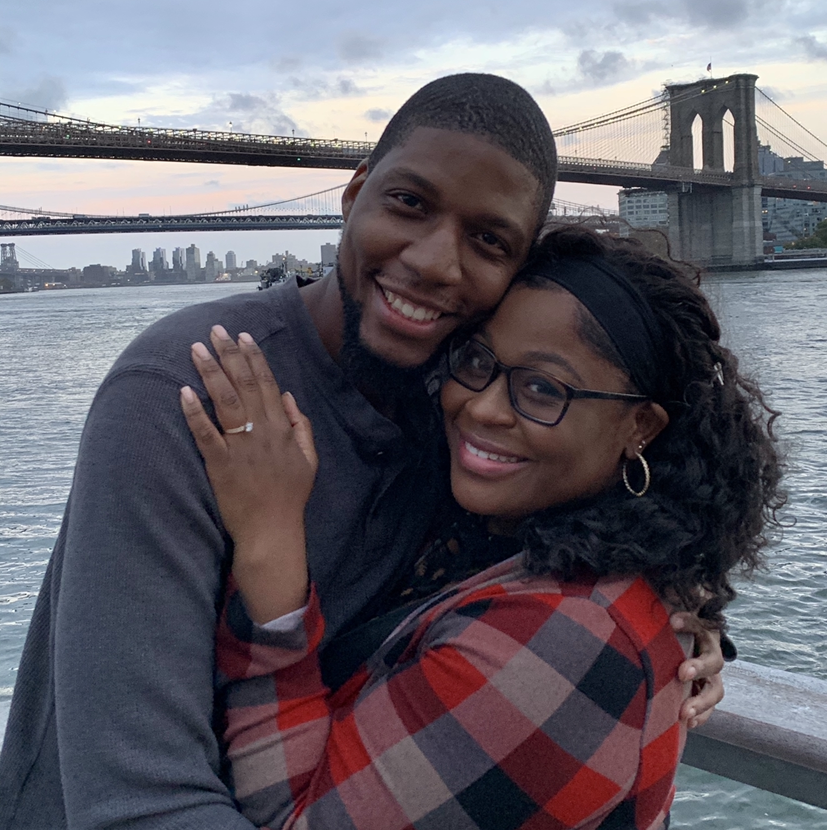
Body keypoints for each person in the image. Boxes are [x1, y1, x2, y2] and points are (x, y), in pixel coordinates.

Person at [0, 75, 724, 830]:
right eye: (409, 202)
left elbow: (552, 564)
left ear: (518, 269)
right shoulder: (184, 389)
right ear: (354, 195)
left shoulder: (464, 407)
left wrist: (685, 615)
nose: (436, 262)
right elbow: (138, 805)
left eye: (488, 240)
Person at [182, 225, 783, 829]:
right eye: (477, 361)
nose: (483, 407)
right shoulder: (528, 542)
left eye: (544, 389)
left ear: (642, 428)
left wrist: (269, 545)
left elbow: (290, 821)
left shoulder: (572, 636)